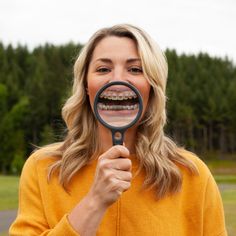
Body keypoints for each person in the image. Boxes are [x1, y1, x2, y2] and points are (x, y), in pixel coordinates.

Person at [9, 24, 227, 236]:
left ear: (152, 87)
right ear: (86, 85)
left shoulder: (191, 175)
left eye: (135, 69)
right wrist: (94, 201)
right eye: (103, 69)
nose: (118, 80)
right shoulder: (43, 169)